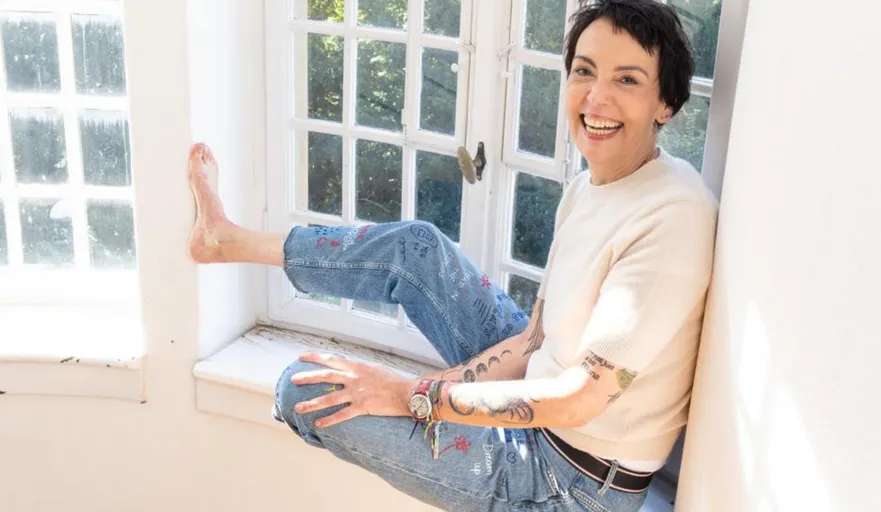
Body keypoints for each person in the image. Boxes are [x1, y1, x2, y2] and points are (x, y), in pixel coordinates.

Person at [187, 0, 717, 510]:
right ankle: (227, 240)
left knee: (303, 390)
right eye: (584, 71)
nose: (596, 97)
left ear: (665, 103)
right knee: (416, 247)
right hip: (543, 397)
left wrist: (407, 396)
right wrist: (435, 392)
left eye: (627, 80)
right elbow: (533, 340)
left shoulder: (673, 216)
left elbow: (581, 399)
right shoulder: (588, 187)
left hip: (571, 483)